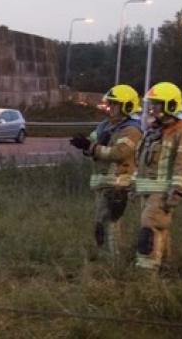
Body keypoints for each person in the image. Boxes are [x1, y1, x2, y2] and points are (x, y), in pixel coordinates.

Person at [132, 82, 182, 274]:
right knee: (159, 230)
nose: (152, 108)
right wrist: (134, 185)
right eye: (152, 103)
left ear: (170, 105)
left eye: (157, 104)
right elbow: (143, 162)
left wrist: (176, 191)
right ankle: (167, 269)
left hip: (162, 191)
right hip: (148, 189)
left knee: (149, 228)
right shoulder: (155, 130)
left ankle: (146, 277)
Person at [70, 84, 142, 260]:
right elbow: (92, 143)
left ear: (127, 106)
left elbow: (119, 153)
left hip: (117, 184)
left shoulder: (131, 129)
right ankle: (105, 257)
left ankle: (113, 260)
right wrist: (85, 145)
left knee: (109, 224)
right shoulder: (105, 125)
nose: (111, 108)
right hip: (103, 183)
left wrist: (92, 148)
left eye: (115, 104)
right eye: (110, 104)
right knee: (101, 223)